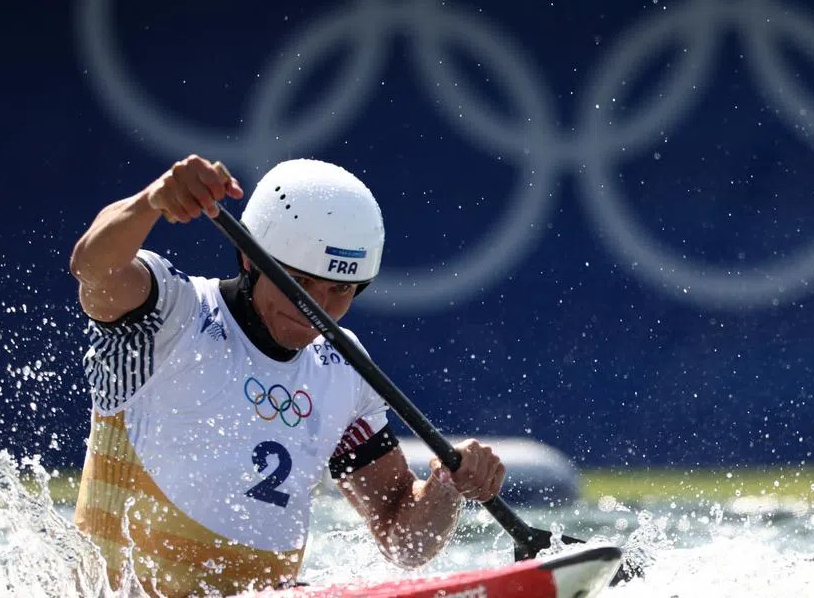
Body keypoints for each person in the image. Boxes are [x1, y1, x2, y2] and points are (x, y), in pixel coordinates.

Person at [69, 154, 506, 597]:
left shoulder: (344, 368)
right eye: (299, 282)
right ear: (248, 258)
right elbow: (92, 267)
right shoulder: (169, 314)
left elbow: (403, 540)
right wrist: (151, 201)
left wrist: (447, 485)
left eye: (339, 290)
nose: (316, 308)